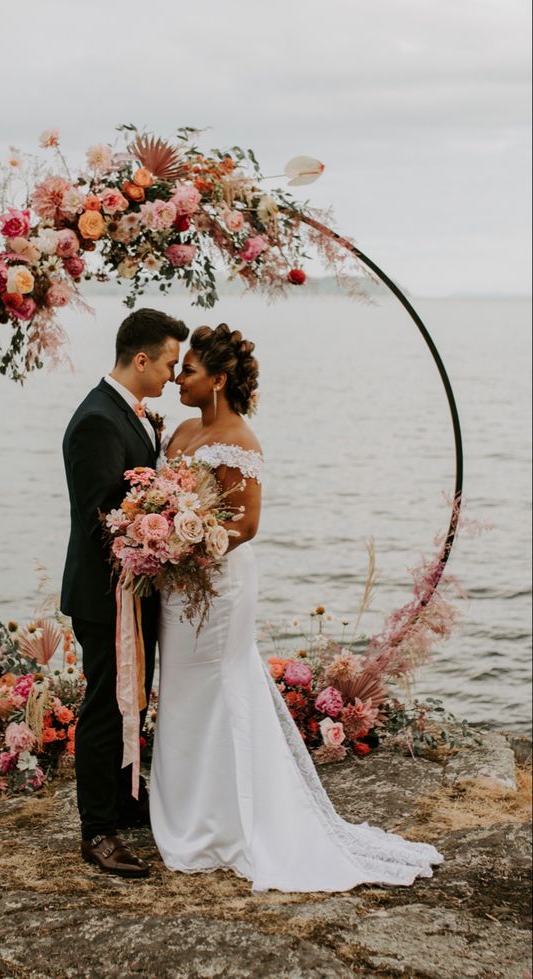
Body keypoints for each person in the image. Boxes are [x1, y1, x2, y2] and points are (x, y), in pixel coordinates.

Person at [150, 323, 443, 891]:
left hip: (217, 586)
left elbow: (247, 524)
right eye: (179, 368)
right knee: (182, 689)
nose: (178, 379)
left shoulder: (239, 442)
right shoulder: (182, 429)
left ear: (219, 379)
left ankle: (230, 819)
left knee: (219, 687)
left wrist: (182, 545)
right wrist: (156, 535)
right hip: (177, 586)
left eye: (188, 371)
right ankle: (188, 810)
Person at [61, 307, 189, 879]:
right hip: (105, 594)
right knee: (103, 706)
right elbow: (103, 520)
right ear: (140, 360)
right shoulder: (96, 421)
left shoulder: (128, 414)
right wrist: (161, 529)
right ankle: (97, 831)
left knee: (132, 700)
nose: (172, 376)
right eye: (167, 363)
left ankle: (123, 802)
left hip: (134, 590)